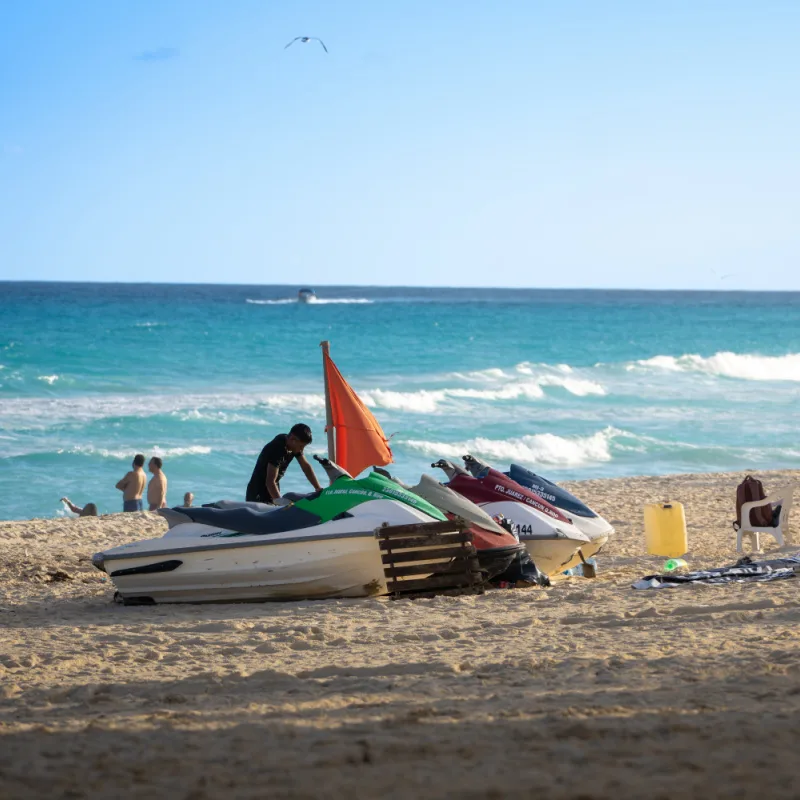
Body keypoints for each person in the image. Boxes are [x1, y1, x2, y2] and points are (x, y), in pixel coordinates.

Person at [246, 423, 321, 504]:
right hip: (257, 494)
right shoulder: (278, 448)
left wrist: (318, 488)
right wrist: (280, 502)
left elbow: (305, 467)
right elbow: (270, 481)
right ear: (292, 439)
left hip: (272, 490)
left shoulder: (293, 445)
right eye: (301, 446)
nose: (302, 449)